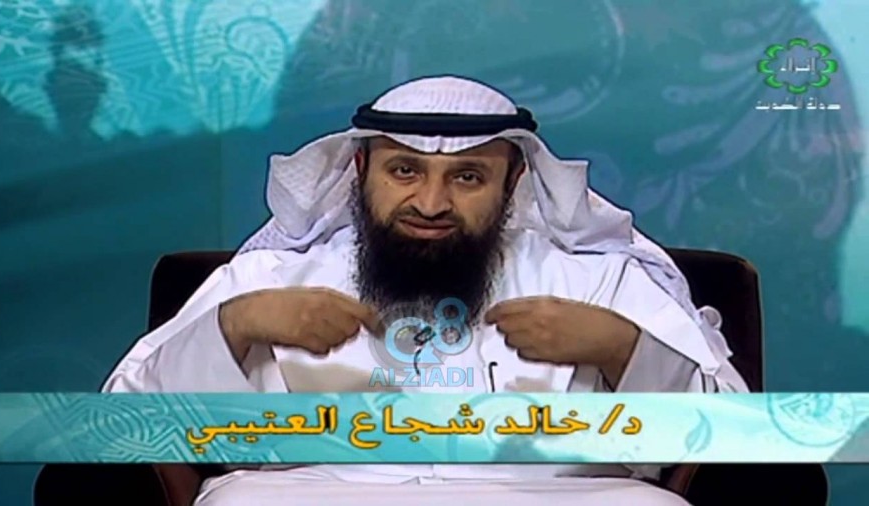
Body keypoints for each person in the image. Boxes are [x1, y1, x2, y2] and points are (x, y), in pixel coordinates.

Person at [104, 76, 748, 505]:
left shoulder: (598, 276)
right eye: (405, 171)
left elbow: (732, 428)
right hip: (313, 491)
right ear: (361, 169)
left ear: (512, 181)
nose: (431, 203)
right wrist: (235, 327)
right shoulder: (273, 274)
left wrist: (623, 347)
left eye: (467, 177)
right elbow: (121, 417)